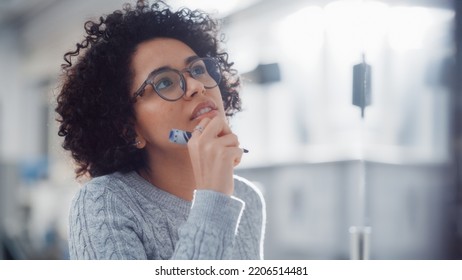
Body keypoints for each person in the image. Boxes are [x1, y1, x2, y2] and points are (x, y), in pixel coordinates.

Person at [55, 0, 266, 260]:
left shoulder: (247, 198)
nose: (196, 86)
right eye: (164, 82)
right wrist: (214, 200)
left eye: (198, 69)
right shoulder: (104, 203)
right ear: (128, 129)